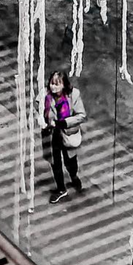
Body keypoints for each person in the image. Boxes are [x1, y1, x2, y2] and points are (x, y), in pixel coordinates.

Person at [43, 69, 87, 204]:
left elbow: (81, 115)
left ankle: (74, 177)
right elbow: (37, 111)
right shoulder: (45, 96)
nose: (53, 87)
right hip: (51, 134)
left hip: (67, 133)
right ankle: (61, 189)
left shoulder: (73, 95)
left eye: (57, 84)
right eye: (52, 83)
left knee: (71, 161)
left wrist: (64, 122)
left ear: (64, 85)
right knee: (55, 163)